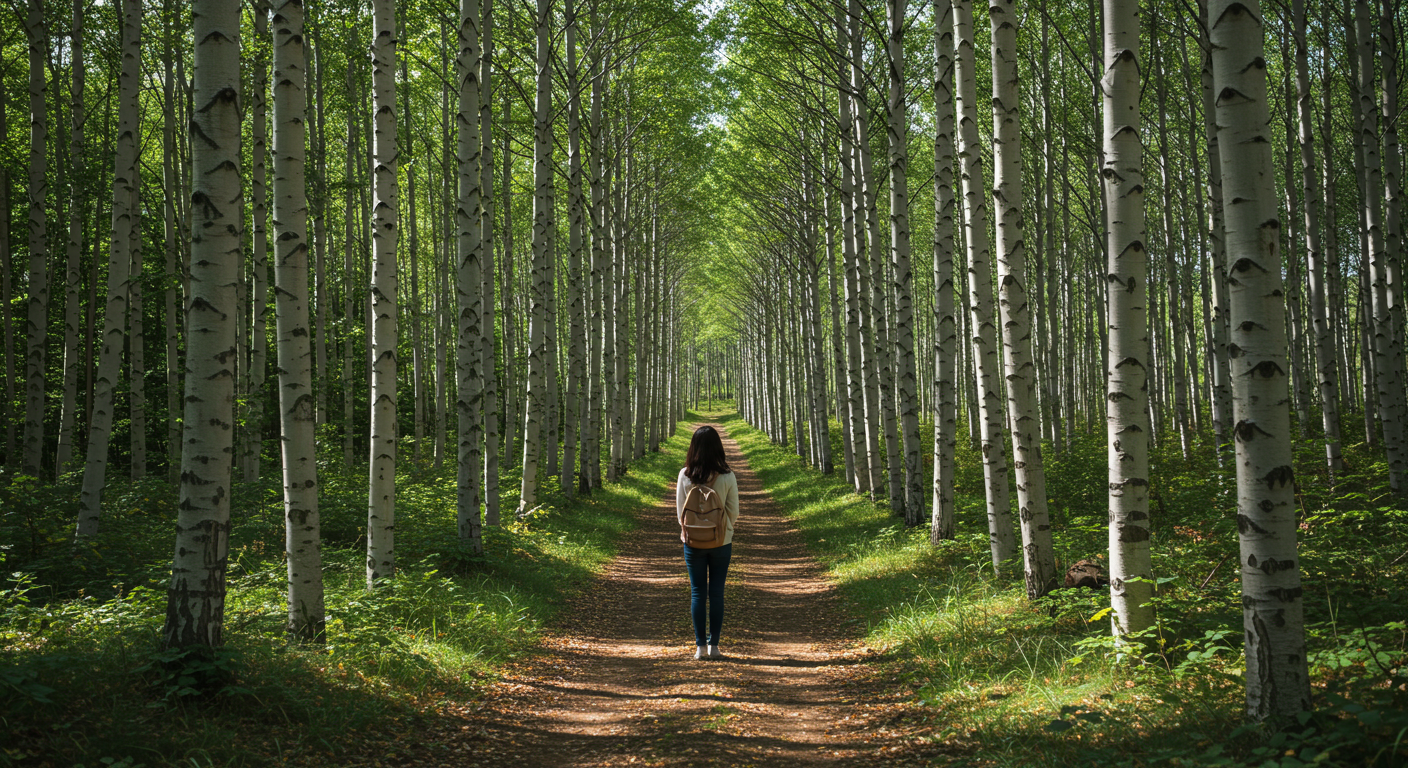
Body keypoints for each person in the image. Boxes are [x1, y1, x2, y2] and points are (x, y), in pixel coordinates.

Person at [675, 425, 740, 660]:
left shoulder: (685, 475)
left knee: (697, 592)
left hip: (692, 542)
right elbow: (733, 511)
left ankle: (700, 647)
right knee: (717, 592)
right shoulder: (727, 475)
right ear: (718, 448)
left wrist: (691, 531)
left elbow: (680, 511)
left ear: (694, 448)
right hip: (721, 541)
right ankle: (715, 646)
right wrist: (722, 529)